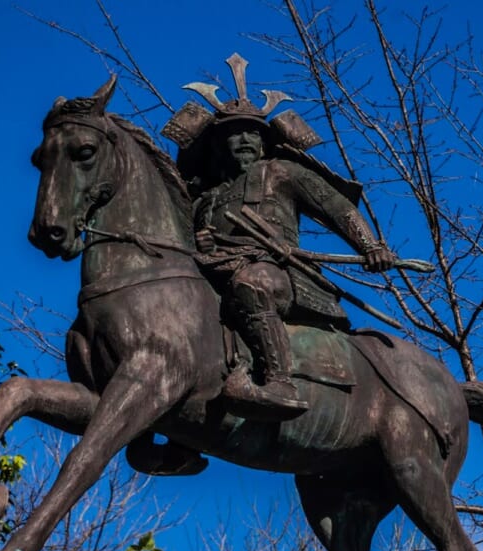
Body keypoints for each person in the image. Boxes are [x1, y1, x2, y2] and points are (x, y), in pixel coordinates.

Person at [162, 54, 396, 421]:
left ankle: (279, 382)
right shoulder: (205, 196)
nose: (242, 139)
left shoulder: (283, 172)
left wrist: (372, 247)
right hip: (212, 272)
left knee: (251, 283)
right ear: (218, 144)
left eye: (251, 133)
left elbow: (340, 209)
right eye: (233, 134)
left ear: (263, 140)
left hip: (275, 270)